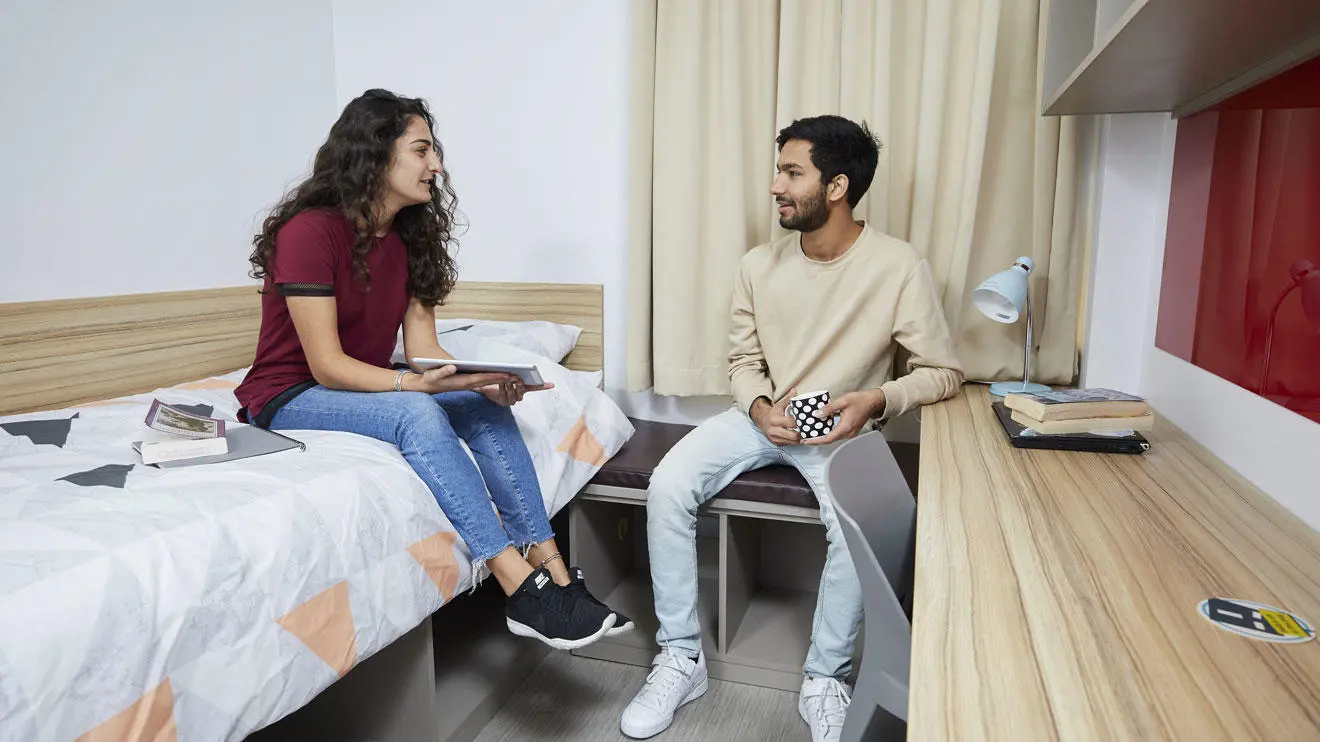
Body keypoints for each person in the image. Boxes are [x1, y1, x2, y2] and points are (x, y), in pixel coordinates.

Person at [234, 89, 630, 651]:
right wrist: (413, 386)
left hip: (361, 382)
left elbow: (423, 352)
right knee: (417, 412)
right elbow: (325, 366)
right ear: (375, 153)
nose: (436, 166)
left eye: (434, 152)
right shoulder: (310, 232)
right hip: (290, 393)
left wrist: (473, 378)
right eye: (422, 151)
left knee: (477, 405)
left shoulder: (407, 240)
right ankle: (518, 588)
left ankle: (556, 573)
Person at [619, 115, 963, 742]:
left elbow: (943, 373)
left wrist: (875, 400)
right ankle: (681, 658)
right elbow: (743, 361)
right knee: (667, 486)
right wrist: (756, 406)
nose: (776, 185)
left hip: (841, 430)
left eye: (791, 172)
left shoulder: (899, 267)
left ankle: (824, 678)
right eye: (778, 170)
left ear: (836, 186)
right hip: (764, 419)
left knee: (855, 528)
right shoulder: (758, 265)